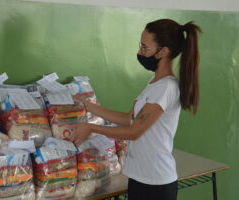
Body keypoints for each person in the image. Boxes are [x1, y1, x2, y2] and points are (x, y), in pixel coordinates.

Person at [70, 19, 202, 200]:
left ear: (163, 51)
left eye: (145, 48)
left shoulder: (166, 88)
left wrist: (92, 128)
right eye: (140, 46)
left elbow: (133, 131)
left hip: (156, 184)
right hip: (141, 178)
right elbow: (129, 119)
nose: (140, 52)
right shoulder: (154, 83)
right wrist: (88, 106)